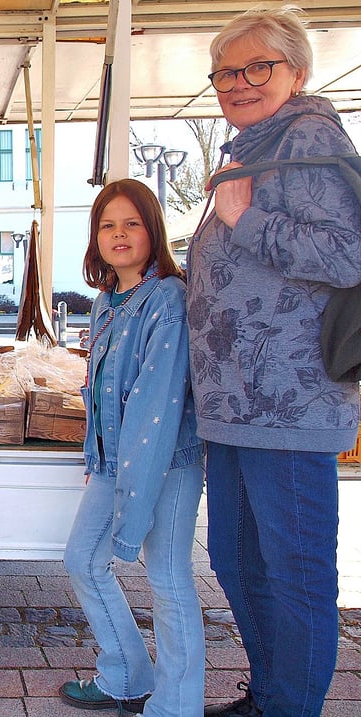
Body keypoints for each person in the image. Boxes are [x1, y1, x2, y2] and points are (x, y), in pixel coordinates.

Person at [188, 6, 361, 717]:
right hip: (234, 404)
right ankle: (271, 692)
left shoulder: (310, 138)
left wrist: (243, 219)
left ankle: (290, 705)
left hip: (287, 400)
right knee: (235, 559)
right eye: (227, 71)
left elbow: (347, 254)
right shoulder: (254, 147)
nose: (240, 81)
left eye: (259, 66)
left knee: (294, 572)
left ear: (298, 71)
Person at [57, 179, 205, 717]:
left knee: (167, 579)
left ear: (153, 230)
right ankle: (126, 672)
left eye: (131, 223)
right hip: (115, 460)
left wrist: (129, 493)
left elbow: (155, 404)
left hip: (165, 462)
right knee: (83, 560)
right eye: (106, 225)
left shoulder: (167, 299)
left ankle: (177, 706)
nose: (118, 235)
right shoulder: (106, 300)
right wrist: (97, 459)